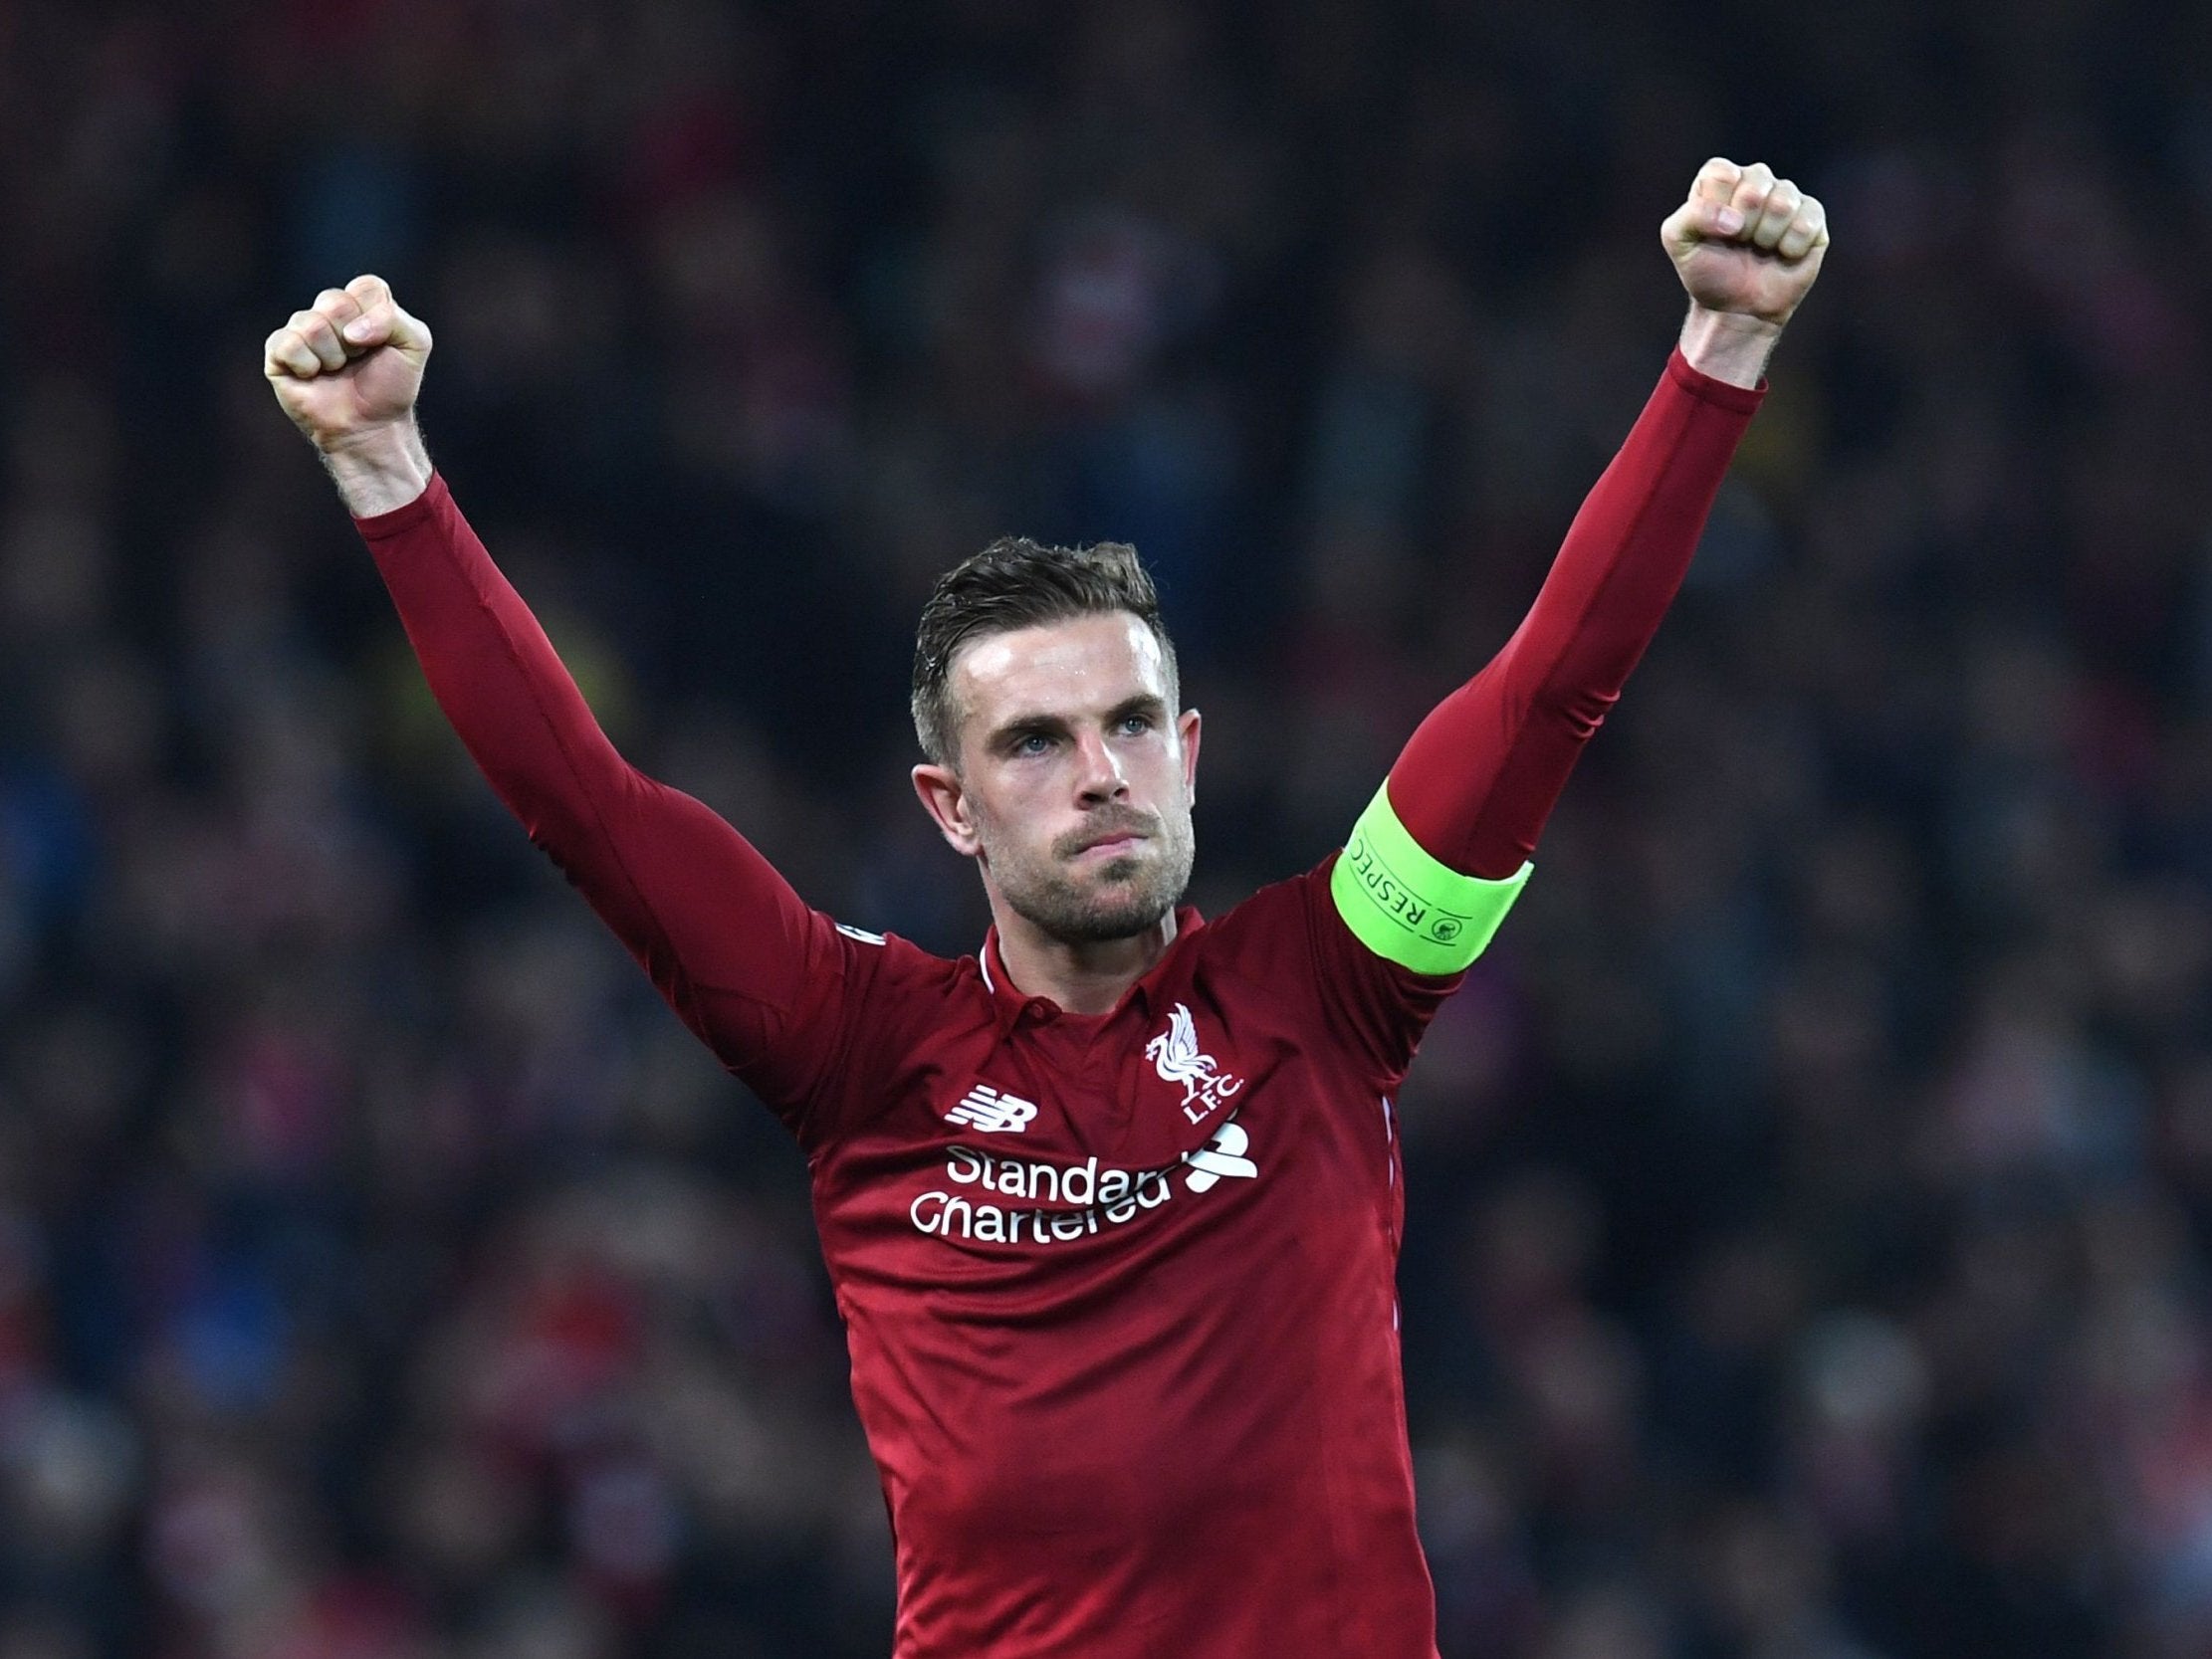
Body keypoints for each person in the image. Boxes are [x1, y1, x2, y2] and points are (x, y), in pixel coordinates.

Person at [264, 156, 1827, 1657]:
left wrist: (1721, 348)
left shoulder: (1332, 989)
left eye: (1131, 726)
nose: (1099, 775)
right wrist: (386, 472)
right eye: (1033, 741)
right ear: (948, 806)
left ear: (1190, 757)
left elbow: (1546, 688)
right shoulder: (858, 1048)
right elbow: (588, 807)